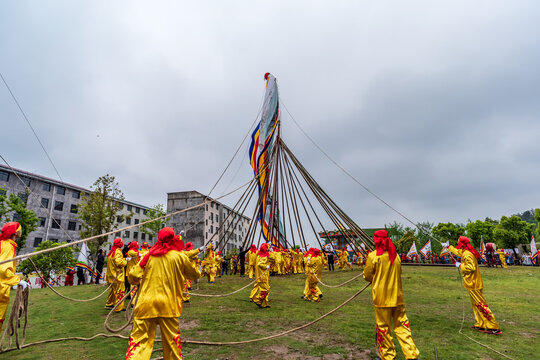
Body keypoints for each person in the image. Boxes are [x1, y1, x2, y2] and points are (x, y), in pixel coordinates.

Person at [126, 227, 200, 360]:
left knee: (139, 343)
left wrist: (138, 280)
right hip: (169, 305)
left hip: (146, 304)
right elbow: (194, 275)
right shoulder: (180, 256)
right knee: (172, 344)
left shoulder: (148, 256)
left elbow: (132, 276)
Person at [363, 230, 420, 360]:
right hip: (398, 298)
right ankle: (412, 355)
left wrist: (374, 277)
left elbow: (367, 276)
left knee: (383, 327)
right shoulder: (396, 256)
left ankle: (388, 356)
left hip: (382, 299)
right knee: (403, 326)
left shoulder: (373, 257)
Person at [444, 237, 501, 335]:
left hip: (473, 283)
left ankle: (493, 326)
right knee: (476, 304)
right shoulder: (466, 251)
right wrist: (448, 247)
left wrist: (460, 265)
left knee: (480, 304)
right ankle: (480, 323)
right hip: (472, 283)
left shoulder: (467, 254)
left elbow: (471, 267)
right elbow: (458, 252)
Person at [0, 222, 29, 331]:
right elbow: (2, 269)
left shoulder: (5, 243)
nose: (21, 231)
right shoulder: (8, 247)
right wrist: (17, 281)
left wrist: (15, 260)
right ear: (15, 232)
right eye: (20, 229)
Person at [105, 238, 127, 312]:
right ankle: (119, 307)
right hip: (117, 276)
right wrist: (125, 261)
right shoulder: (117, 252)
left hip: (111, 276)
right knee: (120, 291)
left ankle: (109, 304)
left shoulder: (112, 252)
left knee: (112, 291)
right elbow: (119, 263)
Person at [250, 243, 271, 308]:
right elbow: (260, 264)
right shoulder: (263, 257)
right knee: (266, 290)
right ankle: (257, 299)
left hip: (260, 275)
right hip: (262, 276)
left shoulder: (259, 255)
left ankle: (264, 304)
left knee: (265, 289)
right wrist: (266, 266)